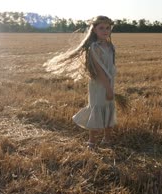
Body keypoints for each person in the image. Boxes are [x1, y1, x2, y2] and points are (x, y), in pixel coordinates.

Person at [44, 16, 117, 149]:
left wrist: (111, 86)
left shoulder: (110, 46)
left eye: (108, 28)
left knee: (109, 108)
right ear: (94, 30)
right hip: (99, 85)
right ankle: (92, 141)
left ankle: (107, 139)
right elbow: (99, 71)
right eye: (101, 28)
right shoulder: (94, 48)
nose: (105, 31)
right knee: (96, 109)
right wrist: (108, 89)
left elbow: (111, 67)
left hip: (110, 83)